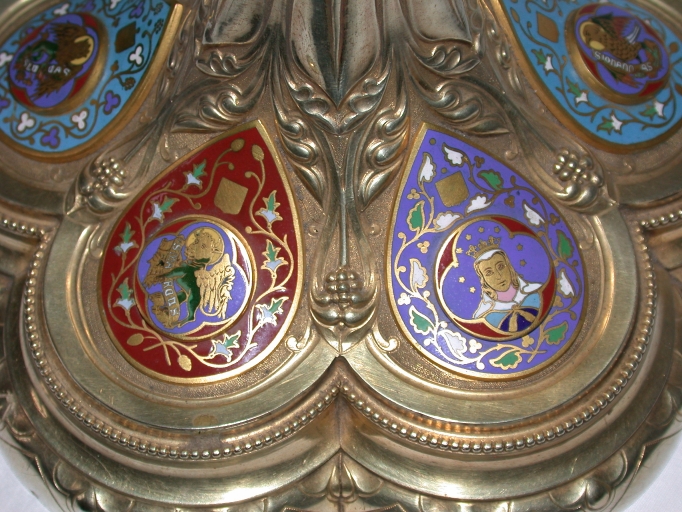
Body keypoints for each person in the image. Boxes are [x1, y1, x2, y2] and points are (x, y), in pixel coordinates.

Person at [466, 237, 542, 333]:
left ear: (510, 267)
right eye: (489, 272)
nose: (499, 276)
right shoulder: (483, 317)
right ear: (483, 280)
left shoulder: (536, 292)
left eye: (501, 266)